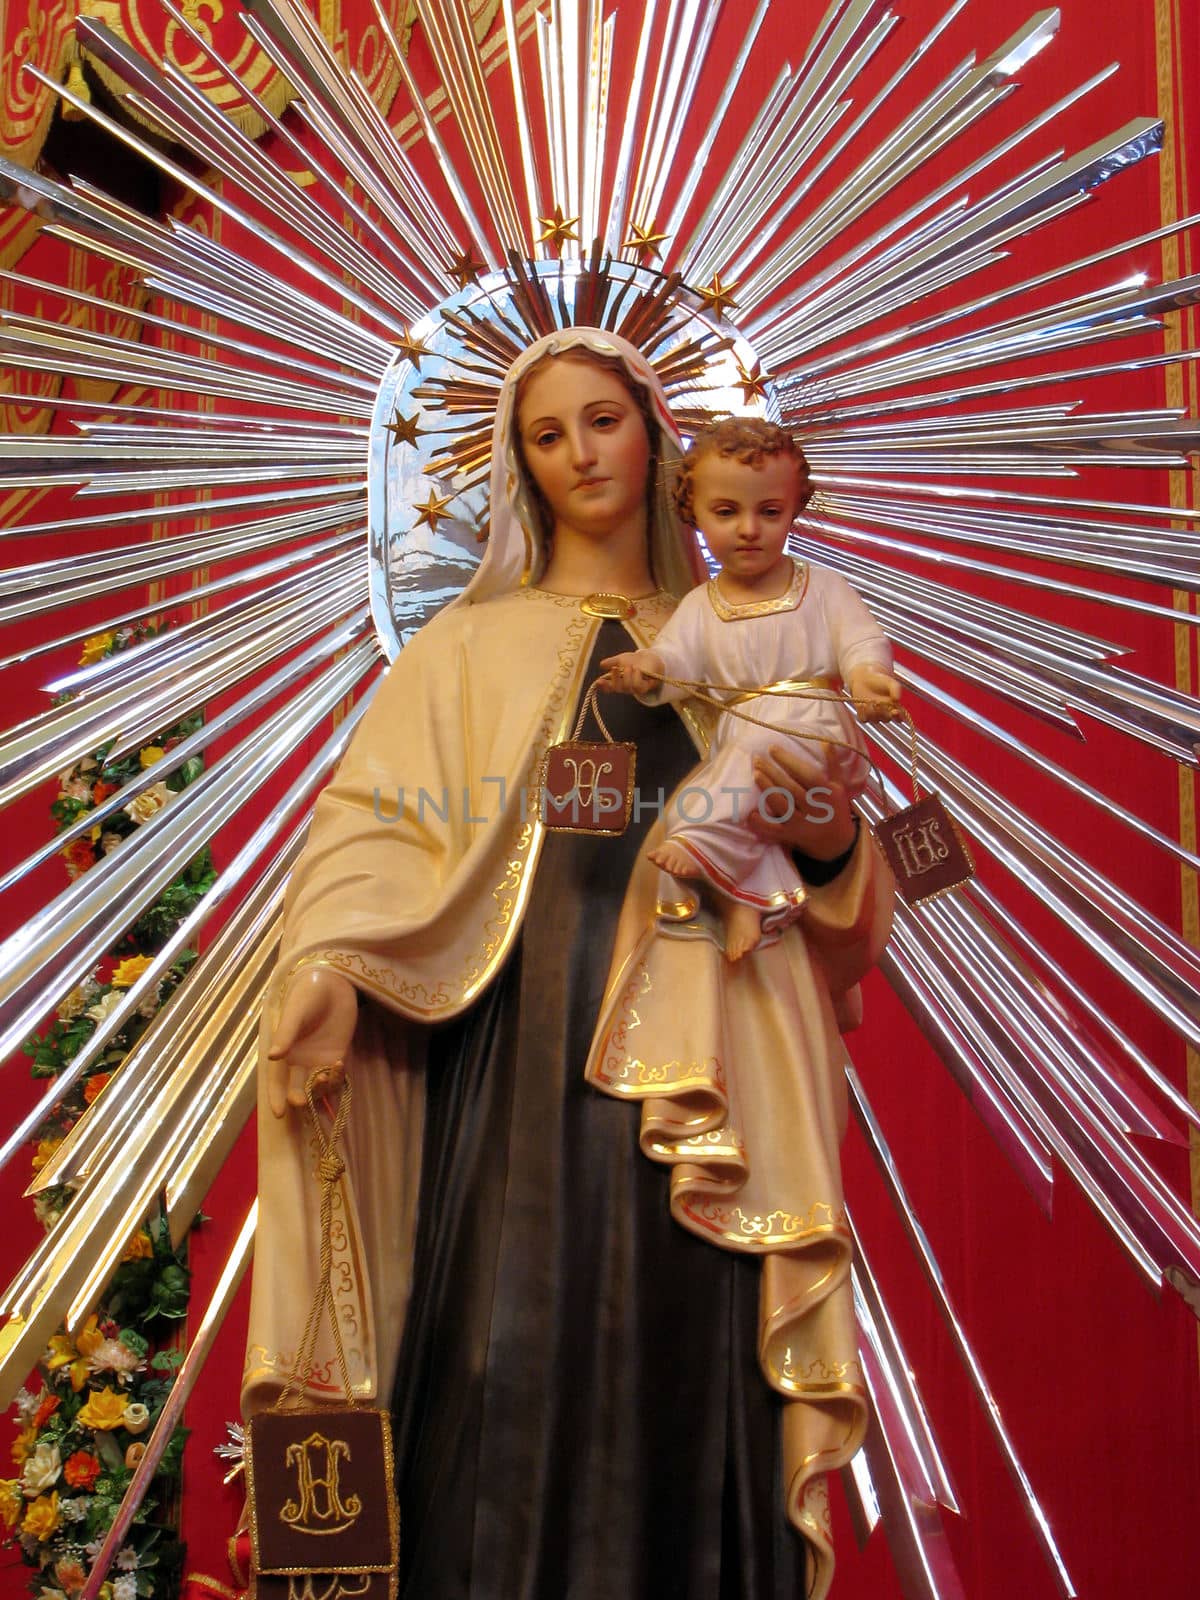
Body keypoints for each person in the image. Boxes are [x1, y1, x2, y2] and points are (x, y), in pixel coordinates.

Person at [242, 328, 894, 1600]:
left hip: (715, 1089)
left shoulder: (748, 638)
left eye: (602, 419)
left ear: (656, 431)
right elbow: (370, 830)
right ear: (519, 467)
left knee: (694, 1370)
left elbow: (850, 927)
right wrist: (323, 964)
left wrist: (826, 837)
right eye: (547, 434)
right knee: (504, 1358)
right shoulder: (467, 650)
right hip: (520, 1072)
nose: (580, 453)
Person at [601, 418, 900, 960]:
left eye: (769, 512)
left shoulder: (822, 587)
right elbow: (676, 662)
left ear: (794, 509)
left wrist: (866, 678)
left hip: (814, 724)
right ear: (694, 513)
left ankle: (706, 853)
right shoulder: (700, 605)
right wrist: (645, 668)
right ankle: (753, 901)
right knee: (714, 798)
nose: (748, 529)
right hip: (743, 736)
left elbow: (860, 641)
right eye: (726, 512)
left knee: (733, 783)